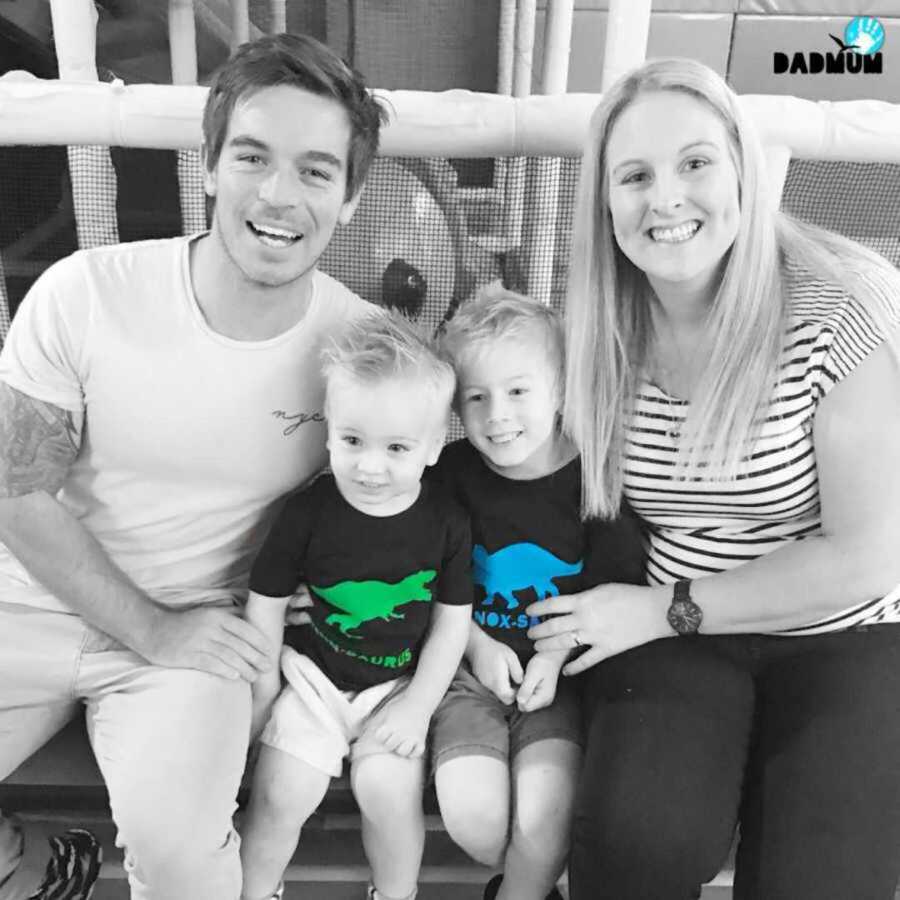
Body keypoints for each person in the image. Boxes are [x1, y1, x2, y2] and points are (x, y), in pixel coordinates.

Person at [0, 32, 384, 900]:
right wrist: (147, 624)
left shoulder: (361, 351)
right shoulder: (85, 292)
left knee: (186, 875)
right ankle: (26, 868)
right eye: (252, 157)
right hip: (29, 600)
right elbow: (14, 492)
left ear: (352, 197)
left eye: (317, 171)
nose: (278, 195)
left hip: (197, 639)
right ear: (211, 166)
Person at [525, 57, 900, 900]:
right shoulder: (595, 326)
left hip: (843, 627)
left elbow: (867, 557)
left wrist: (664, 609)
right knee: (634, 848)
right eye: (635, 175)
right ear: (606, 201)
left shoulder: (847, 305)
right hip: (672, 632)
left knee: (826, 880)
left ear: (743, 168)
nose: (666, 199)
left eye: (695, 162)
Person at [239, 310, 472, 900]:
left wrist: (419, 704)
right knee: (279, 795)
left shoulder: (446, 522)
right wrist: (263, 689)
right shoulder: (307, 512)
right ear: (329, 433)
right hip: (311, 681)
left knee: (389, 797)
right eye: (352, 441)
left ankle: (395, 894)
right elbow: (265, 602)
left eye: (396, 447)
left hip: (396, 688)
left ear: (433, 448)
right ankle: (253, 891)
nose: (371, 466)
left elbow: (452, 621)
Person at [430, 288, 643, 900]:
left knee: (546, 816)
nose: (497, 415)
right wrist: (471, 645)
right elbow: (423, 577)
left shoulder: (596, 479)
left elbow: (614, 590)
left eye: (518, 391)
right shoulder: (447, 475)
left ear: (559, 389)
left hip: (558, 680)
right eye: (476, 397)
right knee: (479, 822)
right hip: (465, 673)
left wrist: (552, 657)